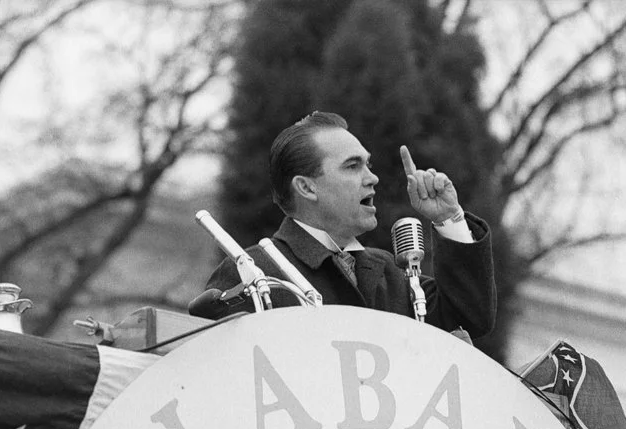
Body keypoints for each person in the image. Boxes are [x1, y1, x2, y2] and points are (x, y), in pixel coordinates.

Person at [198, 111, 497, 340]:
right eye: (353, 166)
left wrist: (449, 217)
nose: (372, 178)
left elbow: (470, 318)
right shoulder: (252, 271)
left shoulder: (393, 274)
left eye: (369, 165)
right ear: (306, 187)